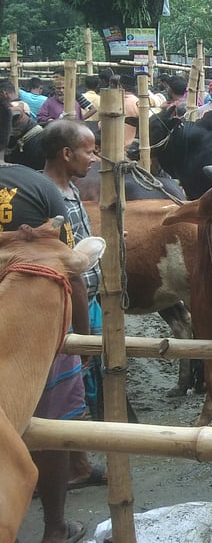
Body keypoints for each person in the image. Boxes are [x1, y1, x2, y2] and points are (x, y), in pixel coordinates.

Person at [0, 102, 95, 543]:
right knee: (52, 421)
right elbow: (70, 270)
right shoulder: (37, 187)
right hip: (38, 333)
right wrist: (81, 337)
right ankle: (56, 527)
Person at [40, 119, 107, 490]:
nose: (94, 158)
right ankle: (60, 469)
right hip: (69, 306)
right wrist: (82, 334)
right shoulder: (50, 197)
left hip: (85, 300)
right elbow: (72, 271)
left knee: (79, 388)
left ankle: (78, 463)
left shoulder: (68, 188)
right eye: (88, 150)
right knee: (67, 386)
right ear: (67, 154)